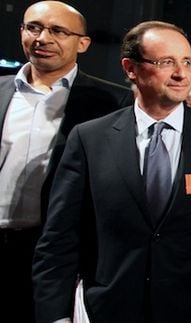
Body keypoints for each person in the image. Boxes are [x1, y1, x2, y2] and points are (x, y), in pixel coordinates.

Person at [32, 21, 191, 323]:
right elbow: (60, 235)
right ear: (131, 68)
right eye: (166, 62)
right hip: (109, 303)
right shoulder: (90, 138)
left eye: (187, 62)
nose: (181, 73)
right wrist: (55, 315)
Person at [0, 2, 132, 322]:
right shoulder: (2, 90)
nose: (43, 37)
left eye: (58, 31)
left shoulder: (111, 103)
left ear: (83, 43)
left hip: (53, 254)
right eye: (33, 27)